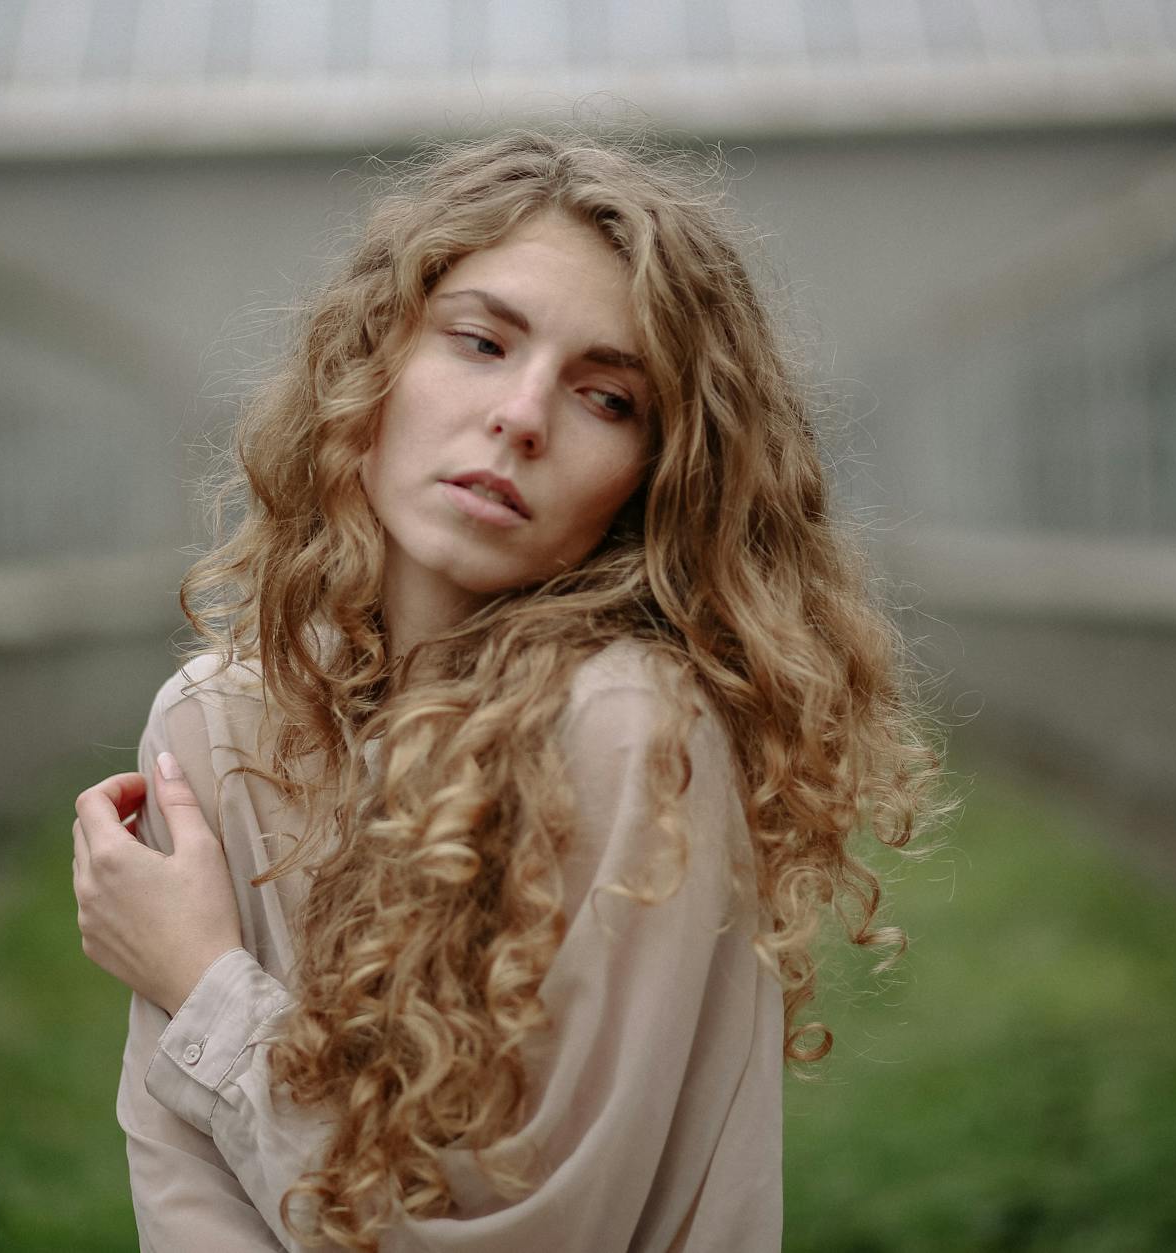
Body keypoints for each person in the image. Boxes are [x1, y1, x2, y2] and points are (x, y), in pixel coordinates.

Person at [70, 129, 945, 1252]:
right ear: (375, 358)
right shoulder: (216, 719)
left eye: (607, 398)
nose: (521, 414)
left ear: (655, 477)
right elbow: (182, 1189)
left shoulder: (630, 731)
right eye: (480, 341)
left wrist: (203, 984)